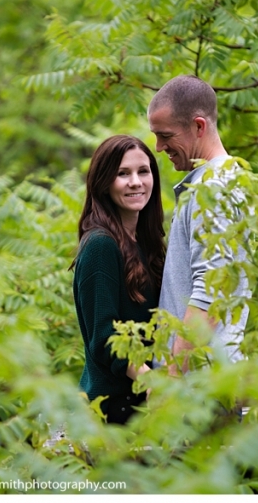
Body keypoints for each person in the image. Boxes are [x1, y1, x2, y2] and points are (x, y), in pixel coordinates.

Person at [147, 74, 250, 376]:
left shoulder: (212, 190)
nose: (158, 146)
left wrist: (173, 377)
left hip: (199, 386)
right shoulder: (228, 179)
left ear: (198, 126)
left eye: (166, 135)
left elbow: (213, 290)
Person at [71, 135, 166, 425]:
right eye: (123, 174)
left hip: (141, 403)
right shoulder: (101, 245)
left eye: (144, 171)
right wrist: (149, 378)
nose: (136, 182)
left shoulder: (147, 244)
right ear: (103, 182)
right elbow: (104, 336)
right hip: (112, 409)